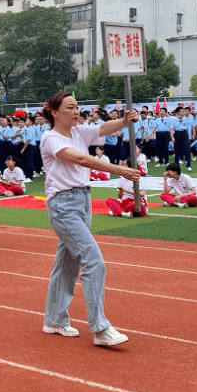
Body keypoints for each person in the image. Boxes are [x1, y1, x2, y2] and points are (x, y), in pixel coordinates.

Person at [39, 91, 139, 347]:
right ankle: (100, 328)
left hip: (82, 202)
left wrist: (125, 120)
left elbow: (103, 128)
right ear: (54, 112)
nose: (76, 111)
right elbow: (81, 158)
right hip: (64, 205)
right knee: (94, 262)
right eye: (70, 107)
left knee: (67, 265)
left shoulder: (79, 132)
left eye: (77, 107)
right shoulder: (50, 138)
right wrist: (119, 170)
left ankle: (54, 319)